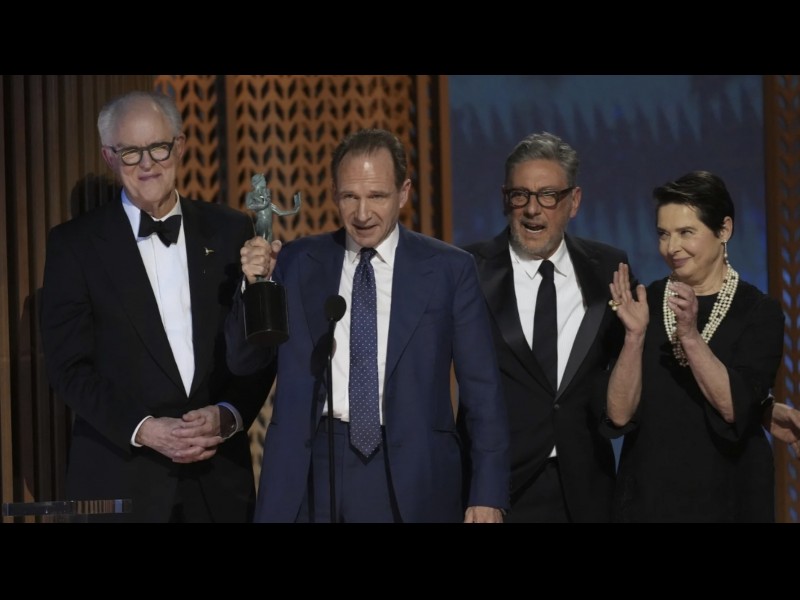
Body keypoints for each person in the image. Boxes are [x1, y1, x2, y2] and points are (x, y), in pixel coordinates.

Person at [226, 128, 510, 523]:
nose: (362, 214)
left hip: (409, 472)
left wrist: (487, 493)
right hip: (310, 467)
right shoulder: (295, 262)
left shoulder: (450, 269)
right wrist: (254, 287)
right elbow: (244, 362)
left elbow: (482, 391)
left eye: (376, 196)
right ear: (334, 193)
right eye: (350, 197)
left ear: (403, 193)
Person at [40, 90, 274, 522]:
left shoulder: (230, 230)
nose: (147, 164)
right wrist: (144, 429)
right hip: (121, 480)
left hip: (219, 481)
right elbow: (68, 368)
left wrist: (229, 415)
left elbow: (257, 348)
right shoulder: (73, 245)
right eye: (131, 152)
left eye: (158, 147)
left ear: (179, 146)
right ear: (110, 158)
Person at [461, 131, 632, 522]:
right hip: (498, 491)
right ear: (505, 199)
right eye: (520, 195)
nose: (532, 210)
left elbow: (630, 371)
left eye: (548, 195)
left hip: (586, 490)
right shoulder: (468, 270)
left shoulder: (609, 269)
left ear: (574, 201)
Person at [605, 170, 785, 522]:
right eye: (664, 234)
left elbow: (733, 406)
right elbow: (619, 415)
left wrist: (689, 336)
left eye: (686, 232)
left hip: (730, 496)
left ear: (724, 230)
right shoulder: (644, 304)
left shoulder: (759, 312)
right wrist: (634, 337)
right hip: (649, 497)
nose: (671, 247)